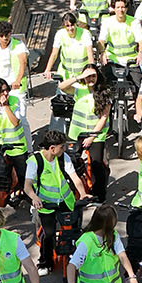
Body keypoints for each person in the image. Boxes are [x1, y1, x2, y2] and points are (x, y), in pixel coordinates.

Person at [25, 128, 83, 278]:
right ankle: (45, 262)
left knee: (74, 230)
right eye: (61, 147)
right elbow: (27, 186)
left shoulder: (64, 158)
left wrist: (83, 195)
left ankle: (77, 259)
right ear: (52, 148)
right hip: (46, 205)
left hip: (66, 201)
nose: (64, 149)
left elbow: (75, 178)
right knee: (48, 234)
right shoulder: (35, 161)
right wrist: (34, 197)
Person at [62, 67, 113, 198]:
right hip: (76, 133)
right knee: (71, 163)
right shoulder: (79, 88)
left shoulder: (104, 92)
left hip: (96, 136)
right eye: (88, 76)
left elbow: (104, 117)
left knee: (97, 166)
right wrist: (78, 77)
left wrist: (92, 136)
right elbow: (62, 87)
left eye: (93, 76)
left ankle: (100, 195)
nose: (90, 79)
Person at [42, 10, 96, 90]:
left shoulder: (85, 34)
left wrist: (91, 70)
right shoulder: (60, 34)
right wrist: (48, 69)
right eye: (67, 26)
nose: (70, 28)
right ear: (64, 26)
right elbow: (54, 54)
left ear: (75, 24)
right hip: (66, 74)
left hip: (82, 74)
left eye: (72, 25)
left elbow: (90, 54)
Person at [97, 0, 142, 72]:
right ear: (114, 9)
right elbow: (101, 40)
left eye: (123, 7)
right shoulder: (107, 22)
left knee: (138, 82)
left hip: (130, 60)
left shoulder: (134, 22)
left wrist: (140, 53)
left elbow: (141, 40)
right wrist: (102, 53)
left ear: (126, 9)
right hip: (112, 59)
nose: (120, 10)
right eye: (118, 7)